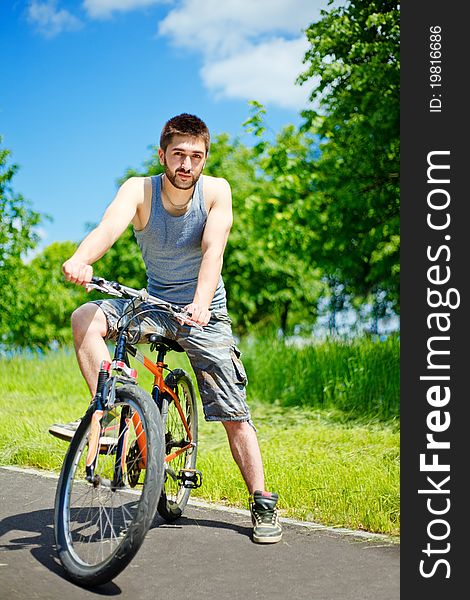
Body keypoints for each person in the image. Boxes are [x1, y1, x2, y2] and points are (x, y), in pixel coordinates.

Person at [49, 113, 282, 544]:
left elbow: (213, 252)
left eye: (196, 156)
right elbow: (107, 227)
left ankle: (261, 500)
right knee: (85, 317)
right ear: (162, 155)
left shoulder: (216, 192)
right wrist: (83, 258)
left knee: (232, 411)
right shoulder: (139, 190)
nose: (187, 164)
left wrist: (199, 303)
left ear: (205, 158)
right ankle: (117, 411)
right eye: (178, 154)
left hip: (204, 310)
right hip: (155, 304)